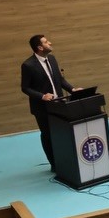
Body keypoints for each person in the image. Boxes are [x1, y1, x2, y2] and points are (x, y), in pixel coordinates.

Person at [19, 34, 74, 171]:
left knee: (62, 132)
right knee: (48, 135)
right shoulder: (28, 65)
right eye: (46, 42)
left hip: (58, 104)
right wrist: (42, 96)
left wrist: (73, 89)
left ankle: (65, 159)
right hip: (42, 107)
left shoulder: (52, 59)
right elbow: (25, 88)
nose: (50, 42)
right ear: (39, 47)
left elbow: (60, 81)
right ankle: (54, 165)